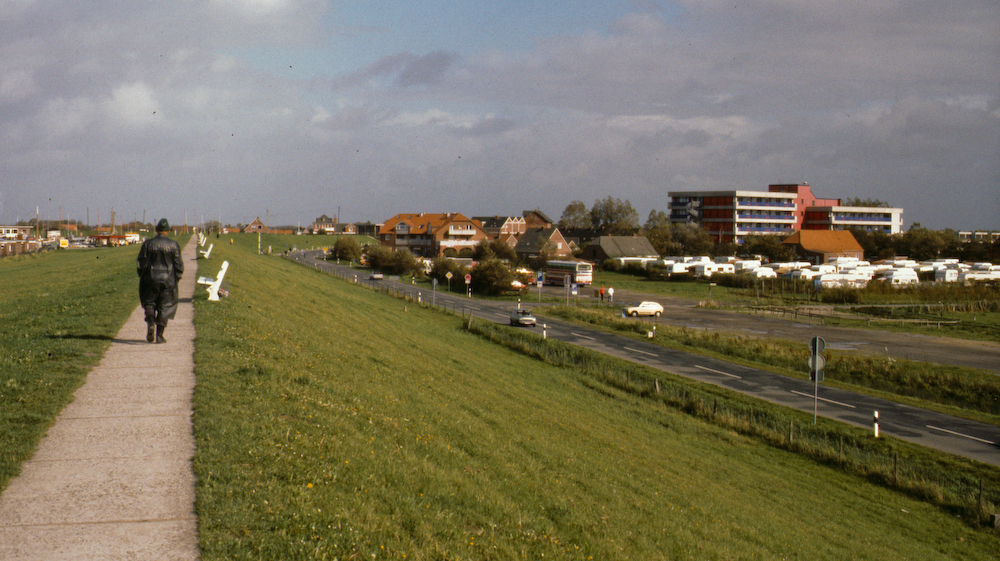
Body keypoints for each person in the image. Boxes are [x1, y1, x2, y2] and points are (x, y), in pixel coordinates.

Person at [137, 219, 184, 343]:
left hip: (150, 278)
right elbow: (179, 266)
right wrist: (176, 278)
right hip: (168, 280)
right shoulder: (173, 245)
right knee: (165, 306)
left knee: (149, 302)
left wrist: (142, 276)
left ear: (157, 230)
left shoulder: (148, 244)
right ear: (168, 231)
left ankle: (151, 322)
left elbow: (140, 262)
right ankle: (159, 335)